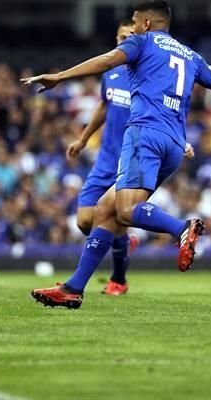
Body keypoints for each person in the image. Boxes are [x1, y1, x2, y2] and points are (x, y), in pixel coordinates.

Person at [22, 0, 211, 308]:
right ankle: (74, 287)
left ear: (145, 23)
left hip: (144, 133)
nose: (131, 27)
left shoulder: (141, 42)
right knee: (107, 210)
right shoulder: (191, 56)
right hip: (174, 144)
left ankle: (181, 229)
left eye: (134, 21)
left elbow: (106, 61)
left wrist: (60, 77)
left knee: (128, 210)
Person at [65, 19, 194, 296]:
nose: (125, 41)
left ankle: (117, 280)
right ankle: (122, 243)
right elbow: (103, 105)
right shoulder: (110, 74)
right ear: (115, 39)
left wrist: (180, 140)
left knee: (115, 214)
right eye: (121, 37)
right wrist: (84, 138)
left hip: (134, 156)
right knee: (85, 221)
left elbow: (170, 109)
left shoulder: (150, 74)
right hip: (105, 159)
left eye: (129, 36)